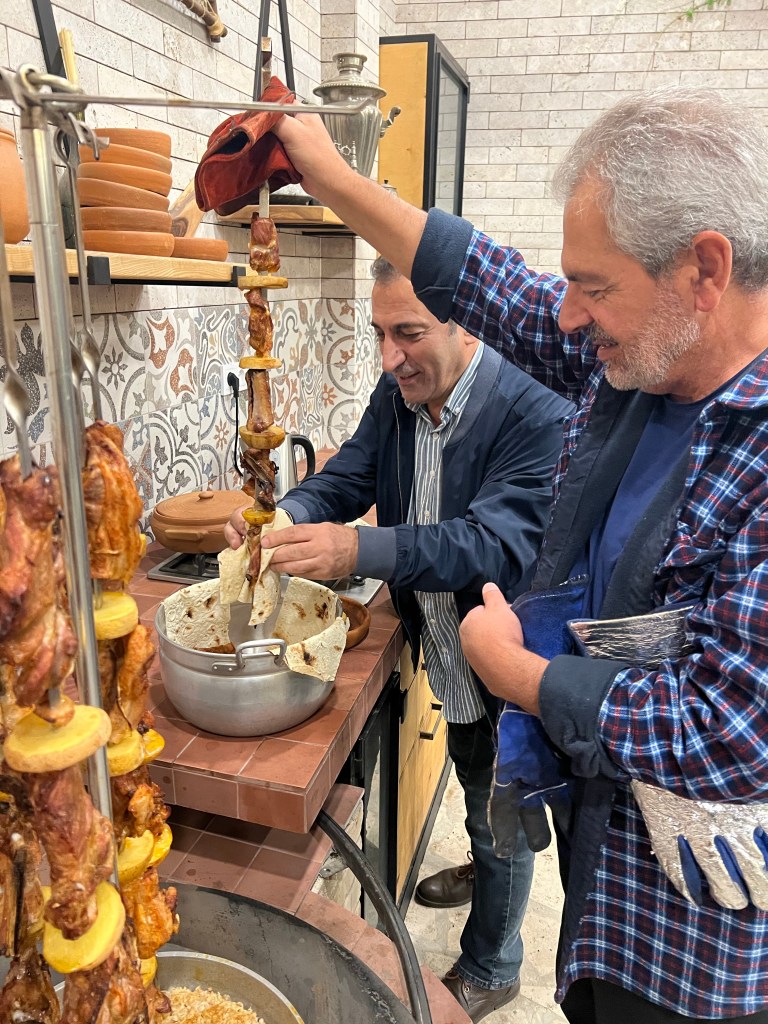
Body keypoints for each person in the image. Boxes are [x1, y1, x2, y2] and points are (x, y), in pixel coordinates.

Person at [269, 88, 768, 1023]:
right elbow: (491, 283)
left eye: (595, 287)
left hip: (694, 945)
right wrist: (329, 176)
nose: (568, 317)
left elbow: (733, 731)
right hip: (605, 864)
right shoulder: (639, 369)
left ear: (704, 269)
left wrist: (529, 681)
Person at [226, 259, 573, 1022]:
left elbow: (490, 543)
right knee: (475, 778)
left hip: (506, 660)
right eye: (379, 333)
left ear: (466, 321)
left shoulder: (534, 407)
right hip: (446, 646)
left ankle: (493, 964)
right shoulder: (402, 392)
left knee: (501, 810)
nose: (389, 357)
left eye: (408, 333)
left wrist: (357, 549)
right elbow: (350, 475)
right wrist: (286, 515)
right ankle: (485, 868)